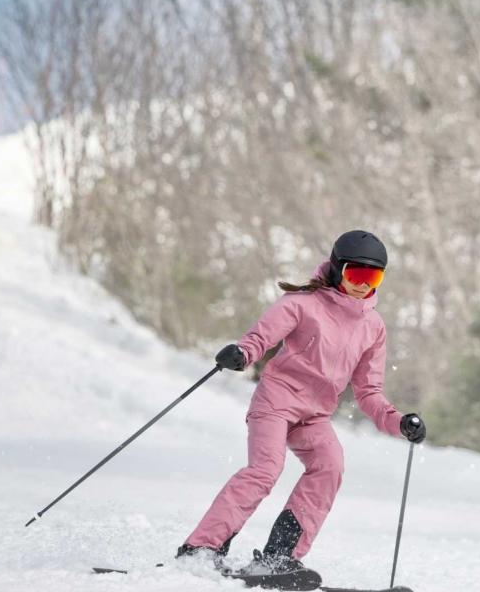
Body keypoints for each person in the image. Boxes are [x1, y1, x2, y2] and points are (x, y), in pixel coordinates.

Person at [177, 230, 427, 577]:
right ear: (339, 269)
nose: (362, 284)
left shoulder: (373, 326)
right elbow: (260, 336)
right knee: (265, 470)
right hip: (276, 402)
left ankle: (279, 557)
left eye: (373, 277)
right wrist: (242, 353)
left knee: (330, 465)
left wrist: (398, 421)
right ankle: (201, 548)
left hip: (314, 416)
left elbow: (369, 391)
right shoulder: (302, 304)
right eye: (356, 274)